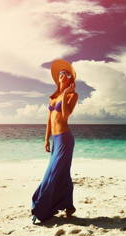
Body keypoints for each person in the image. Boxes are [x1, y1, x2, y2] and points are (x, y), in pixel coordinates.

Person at [31, 59, 79, 223]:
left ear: (70, 79)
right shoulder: (52, 98)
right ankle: (69, 206)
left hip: (65, 139)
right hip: (55, 140)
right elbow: (49, 121)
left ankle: (40, 208)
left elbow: (65, 117)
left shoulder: (73, 95)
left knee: (51, 174)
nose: (61, 75)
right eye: (60, 73)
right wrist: (46, 139)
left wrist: (65, 95)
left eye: (65, 73)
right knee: (63, 173)